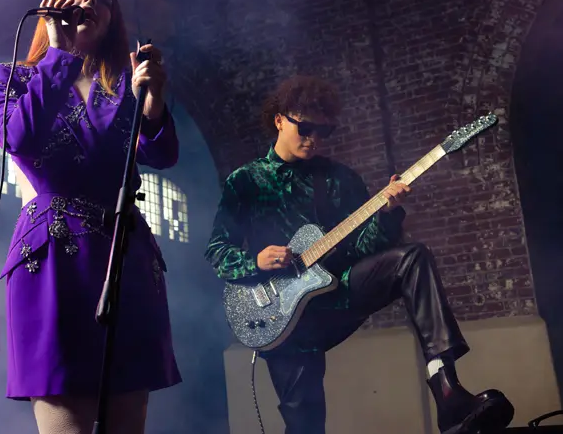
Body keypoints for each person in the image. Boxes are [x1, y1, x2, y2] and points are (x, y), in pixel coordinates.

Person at [205, 76, 514, 434]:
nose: (314, 139)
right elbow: (217, 250)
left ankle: (447, 392)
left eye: (325, 131)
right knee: (304, 423)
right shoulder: (246, 181)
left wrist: (387, 214)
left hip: (337, 293)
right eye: (305, 127)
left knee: (412, 258)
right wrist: (255, 261)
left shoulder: (340, 179)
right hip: (280, 319)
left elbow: (362, 247)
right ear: (279, 119)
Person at [0, 0, 182, 433]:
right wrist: (60, 56)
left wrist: (152, 105)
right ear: (53, 11)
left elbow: (162, 155)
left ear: (112, 22)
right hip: (52, 262)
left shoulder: (125, 85)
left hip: (123, 254)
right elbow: (19, 136)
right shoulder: (6, 77)